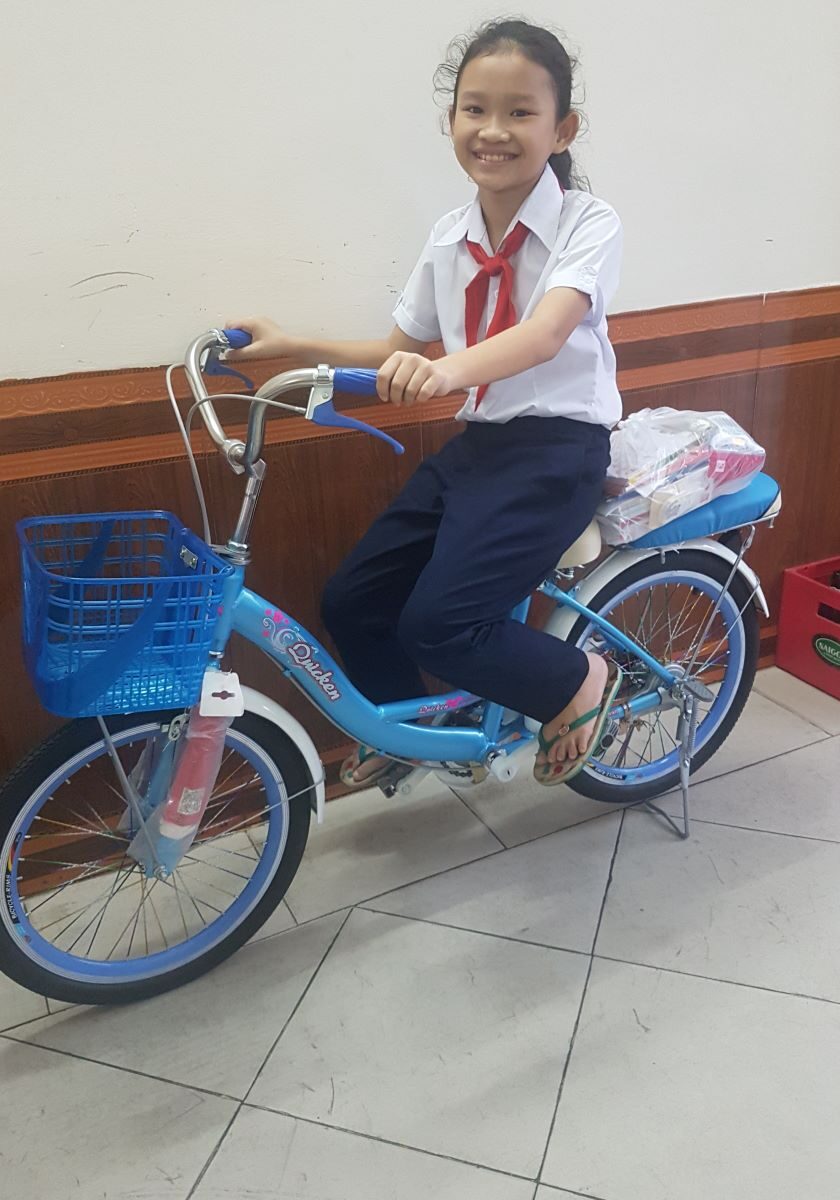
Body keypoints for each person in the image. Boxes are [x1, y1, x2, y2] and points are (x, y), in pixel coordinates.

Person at [227, 18, 624, 788]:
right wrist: (288, 343)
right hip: (479, 450)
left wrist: (444, 373)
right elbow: (394, 348)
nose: (493, 130)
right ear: (452, 121)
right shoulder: (450, 236)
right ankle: (407, 729)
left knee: (440, 624)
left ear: (562, 129)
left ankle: (576, 678)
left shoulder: (588, 222)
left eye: (520, 112)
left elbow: (545, 334)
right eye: (475, 109)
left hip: (558, 453)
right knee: (351, 598)